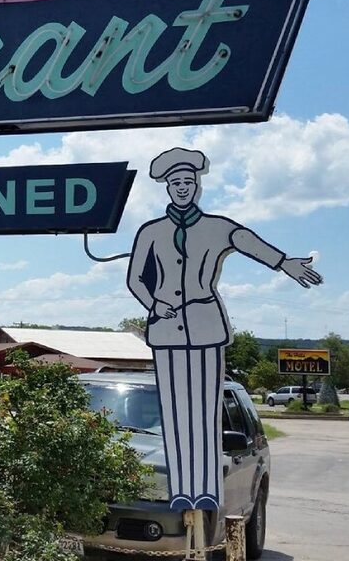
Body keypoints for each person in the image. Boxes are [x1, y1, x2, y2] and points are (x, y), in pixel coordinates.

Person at [127, 147, 322, 510]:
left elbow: (247, 242)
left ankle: (204, 491)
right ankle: (182, 490)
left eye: (188, 181)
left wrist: (284, 263)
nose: (182, 187)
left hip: (205, 324)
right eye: (176, 182)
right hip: (167, 328)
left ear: (197, 184)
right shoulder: (152, 231)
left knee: (204, 412)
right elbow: (136, 278)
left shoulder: (216, 227)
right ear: (167, 187)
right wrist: (155, 303)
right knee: (174, 412)